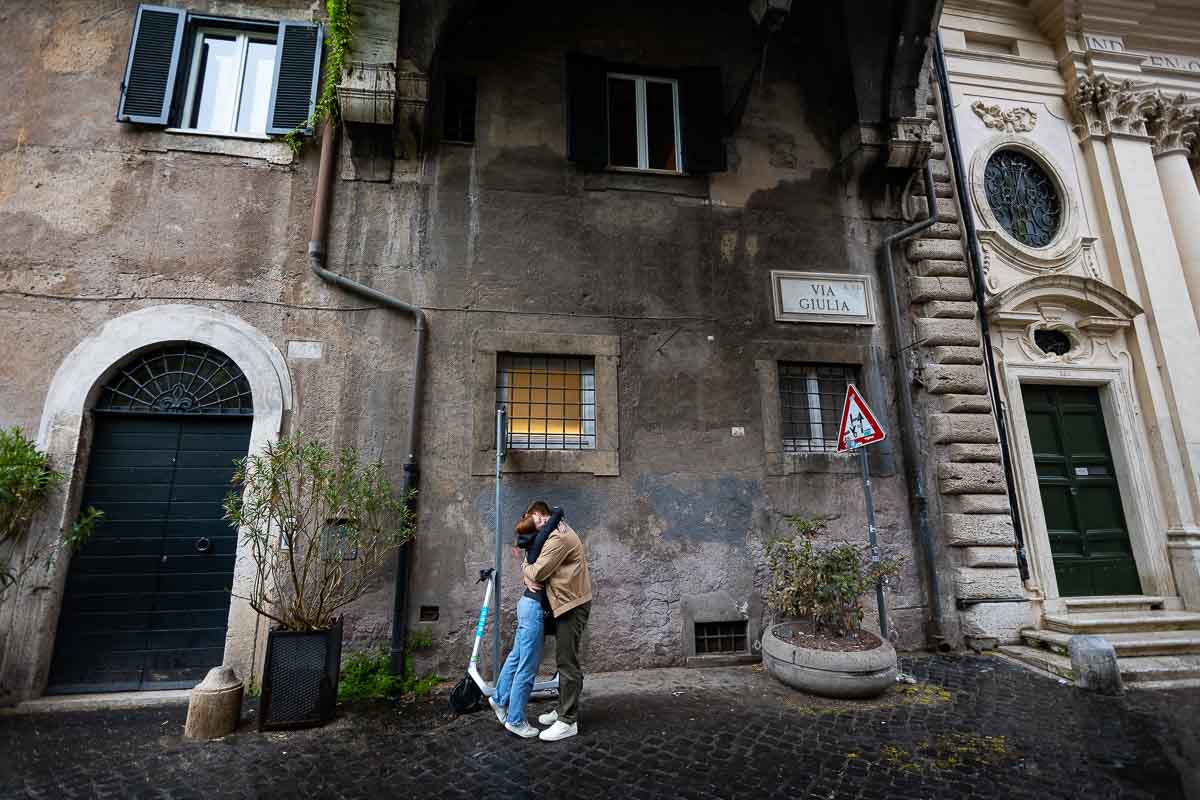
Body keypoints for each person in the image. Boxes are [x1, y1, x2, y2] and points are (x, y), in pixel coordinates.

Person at [489, 502, 562, 738]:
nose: (544, 521)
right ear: (531, 518)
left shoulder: (531, 538)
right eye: (539, 517)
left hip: (527, 605)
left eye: (545, 517)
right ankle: (516, 719)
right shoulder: (536, 538)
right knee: (527, 667)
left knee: (516, 658)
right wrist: (557, 513)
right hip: (533, 609)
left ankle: (499, 699)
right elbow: (548, 527)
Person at [523, 504, 592, 742]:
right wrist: (527, 570)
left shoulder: (558, 538)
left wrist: (527, 570)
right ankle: (562, 708)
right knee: (563, 660)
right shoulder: (552, 532)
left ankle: (568, 721)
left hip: (571, 605)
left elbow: (539, 572)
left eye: (532, 520)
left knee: (567, 662)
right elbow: (531, 563)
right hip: (563, 603)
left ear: (542, 515)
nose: (532, 527)